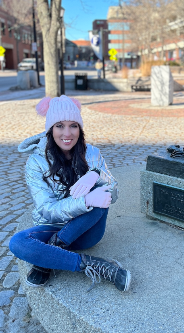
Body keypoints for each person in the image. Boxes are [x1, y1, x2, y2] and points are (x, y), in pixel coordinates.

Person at [9, 95, 131, 291]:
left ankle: (49, 255)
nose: (67, 133)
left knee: (101, 192)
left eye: (73, 125)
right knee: (18, 243)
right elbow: (47, 210)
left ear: (80, 128)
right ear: (50, 129)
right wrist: (85, 201)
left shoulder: (92, 153)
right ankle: (94, 265)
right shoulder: (36, 162)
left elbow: (113, 194)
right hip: (52, 228)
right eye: (59, 125)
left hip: (86, 232)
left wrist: (96, 175)